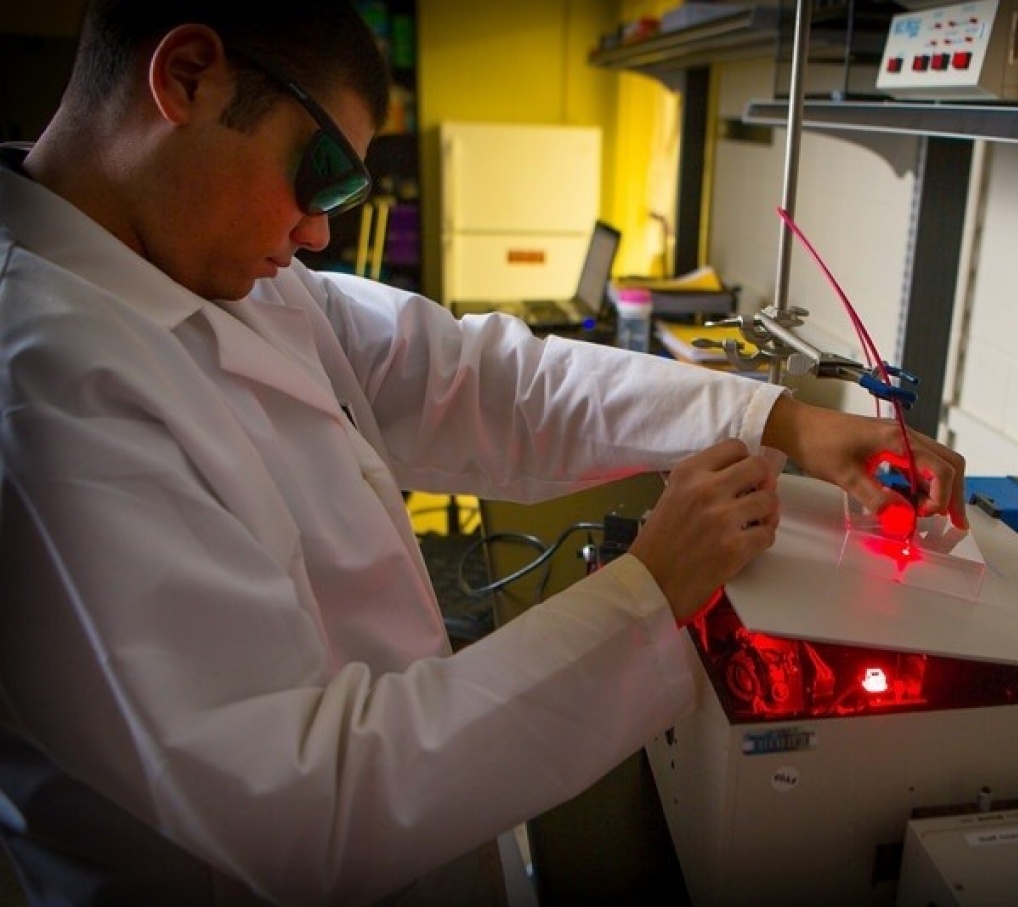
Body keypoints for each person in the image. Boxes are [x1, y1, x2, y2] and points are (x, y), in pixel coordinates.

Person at [0, 1, 967, 903]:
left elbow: (485, 380)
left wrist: (785, 421)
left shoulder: (222, 279)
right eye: (315, 169)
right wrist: (647, 589)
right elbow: (304, 809)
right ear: (189, 78)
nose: (317, 228)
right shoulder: (46, 390)